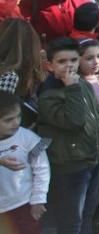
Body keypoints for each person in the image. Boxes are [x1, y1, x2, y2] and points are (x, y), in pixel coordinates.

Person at [37, 37, 99, 234]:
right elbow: (73, 121)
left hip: (92, 158)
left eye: (73, 60)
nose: (69, 66)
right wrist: (72, 88)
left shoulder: (81, 85)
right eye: (62, 62)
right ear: (49, 66)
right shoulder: (49, 93)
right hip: (70, 166)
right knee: (71, 221)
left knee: (88, 213)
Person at [0, 91, 49, 234]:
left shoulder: (29, 138)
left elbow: (42, 169)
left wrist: (39, 198)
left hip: (24, 204)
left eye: (19, 116)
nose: (16, 122)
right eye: (8, 120)